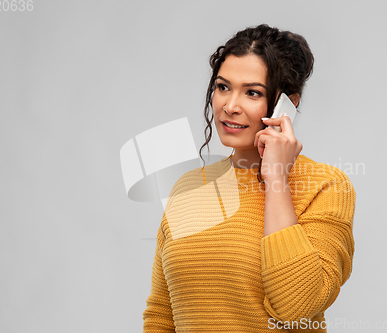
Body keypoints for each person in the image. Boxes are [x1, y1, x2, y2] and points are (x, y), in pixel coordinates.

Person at [142, 24, 356, 333]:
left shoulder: (325, 185)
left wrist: (277, 179)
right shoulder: (188, 187)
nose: (229, 106)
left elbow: (298, 306)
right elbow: (161, 314)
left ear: (288, 105)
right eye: (223, 87)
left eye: (252, 92)